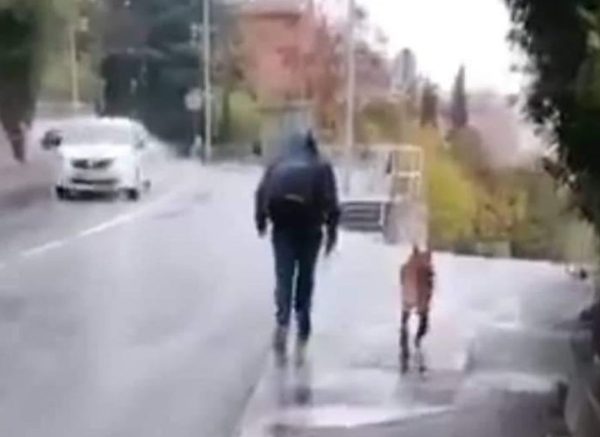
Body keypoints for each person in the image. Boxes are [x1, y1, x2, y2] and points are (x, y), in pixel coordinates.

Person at [255, 130, 340, 364]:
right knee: (305, 276)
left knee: (284, 276)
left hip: (282, 227)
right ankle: (303, 323)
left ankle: (282, 323)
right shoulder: (321, 166)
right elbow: (332, 204)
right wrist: (332, 235)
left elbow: (261, 193)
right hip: (310, 228)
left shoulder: (278, 163)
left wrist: (261, 222)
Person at [399, 245, 434, 373]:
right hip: (419, 294)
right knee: (421, 318)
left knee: (408, 312)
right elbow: (429, 282)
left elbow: (403, 278)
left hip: (413, 294)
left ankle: (408, 335)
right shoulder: (425, 267)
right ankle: (416, 339)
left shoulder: (409, 266)